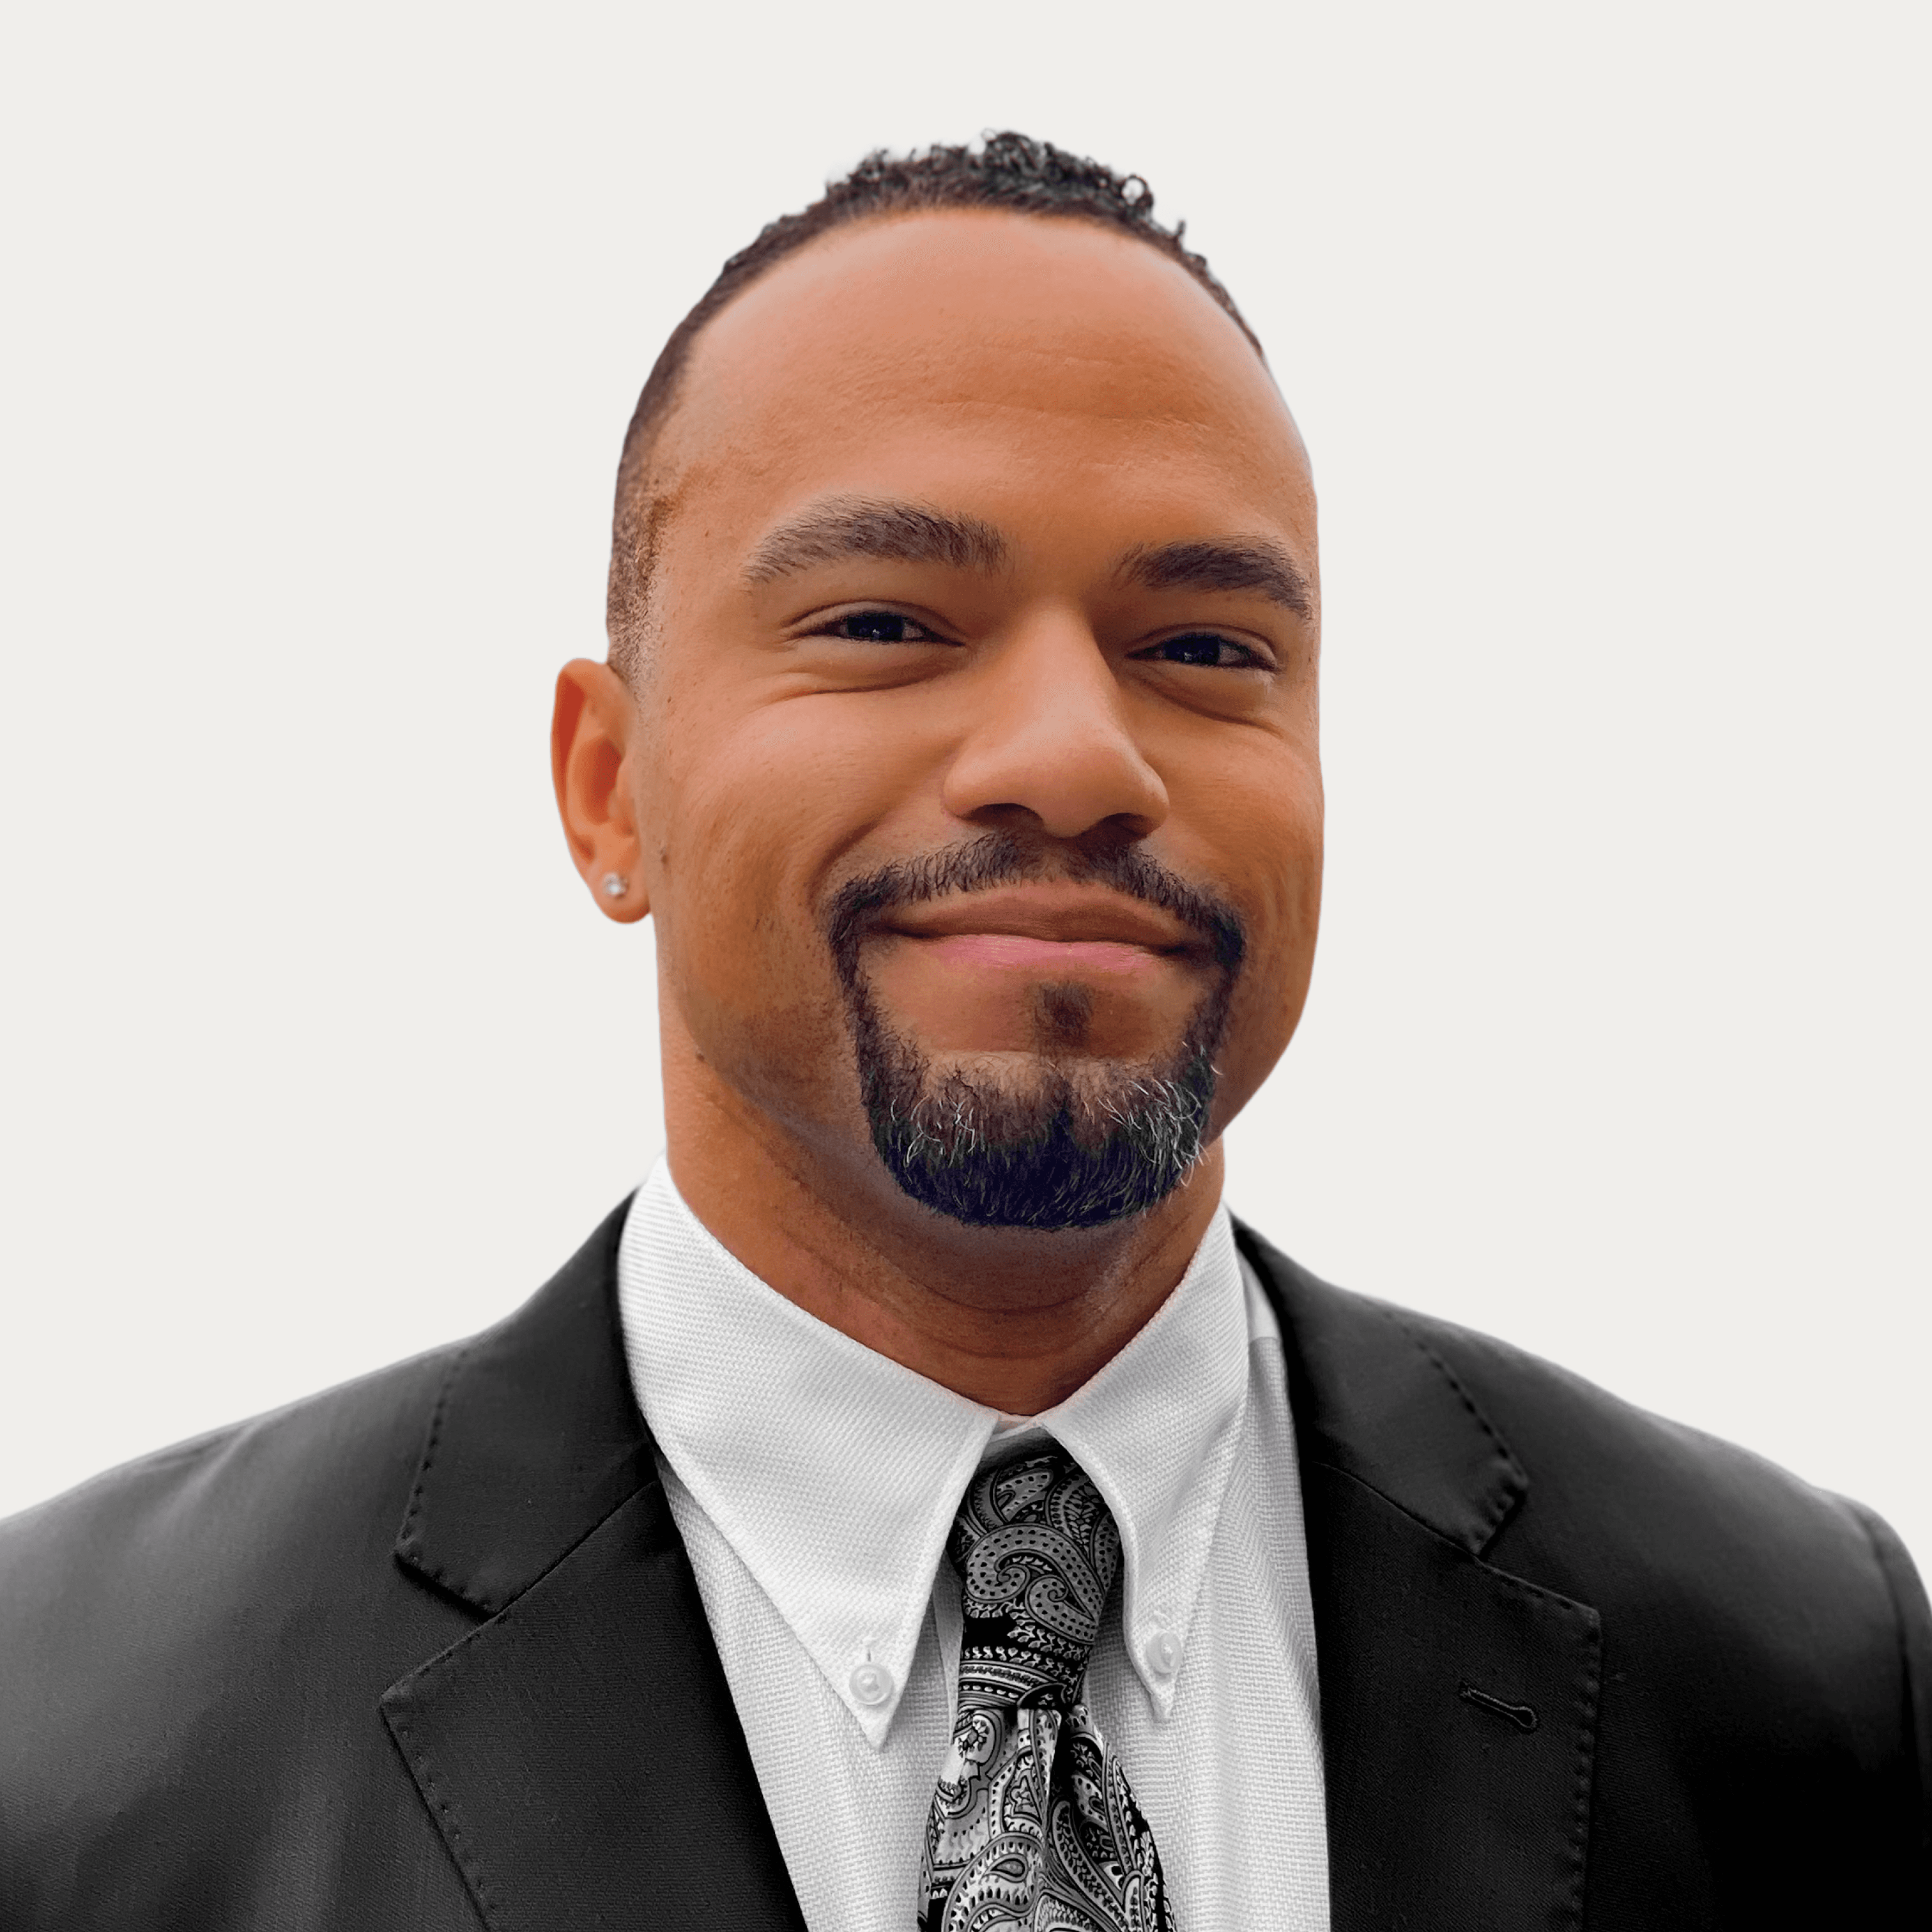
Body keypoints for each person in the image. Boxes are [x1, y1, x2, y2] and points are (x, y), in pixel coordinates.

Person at [0, 132, 1925, 1932]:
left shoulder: (1796, 1675)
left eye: (1204, 650)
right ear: (609, 793)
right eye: (886, 624)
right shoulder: (74, 1735)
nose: (1076, 759)